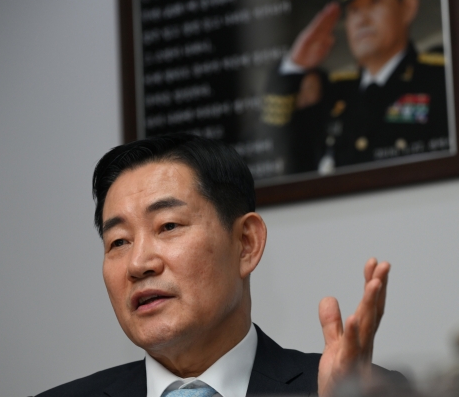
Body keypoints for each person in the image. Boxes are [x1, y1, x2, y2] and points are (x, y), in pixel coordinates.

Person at [35, 133, 402, 397]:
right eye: (118, 242)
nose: (138, 263)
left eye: (168, 226)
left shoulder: (357, 391)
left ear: (246, 243)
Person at [261, 0, 450, 175]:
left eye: (375, 2)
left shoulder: (440, 80)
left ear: (407, 7)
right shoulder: (334, 96)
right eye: (353, 10)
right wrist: (294, 66)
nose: (361, 19)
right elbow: (274, 139)